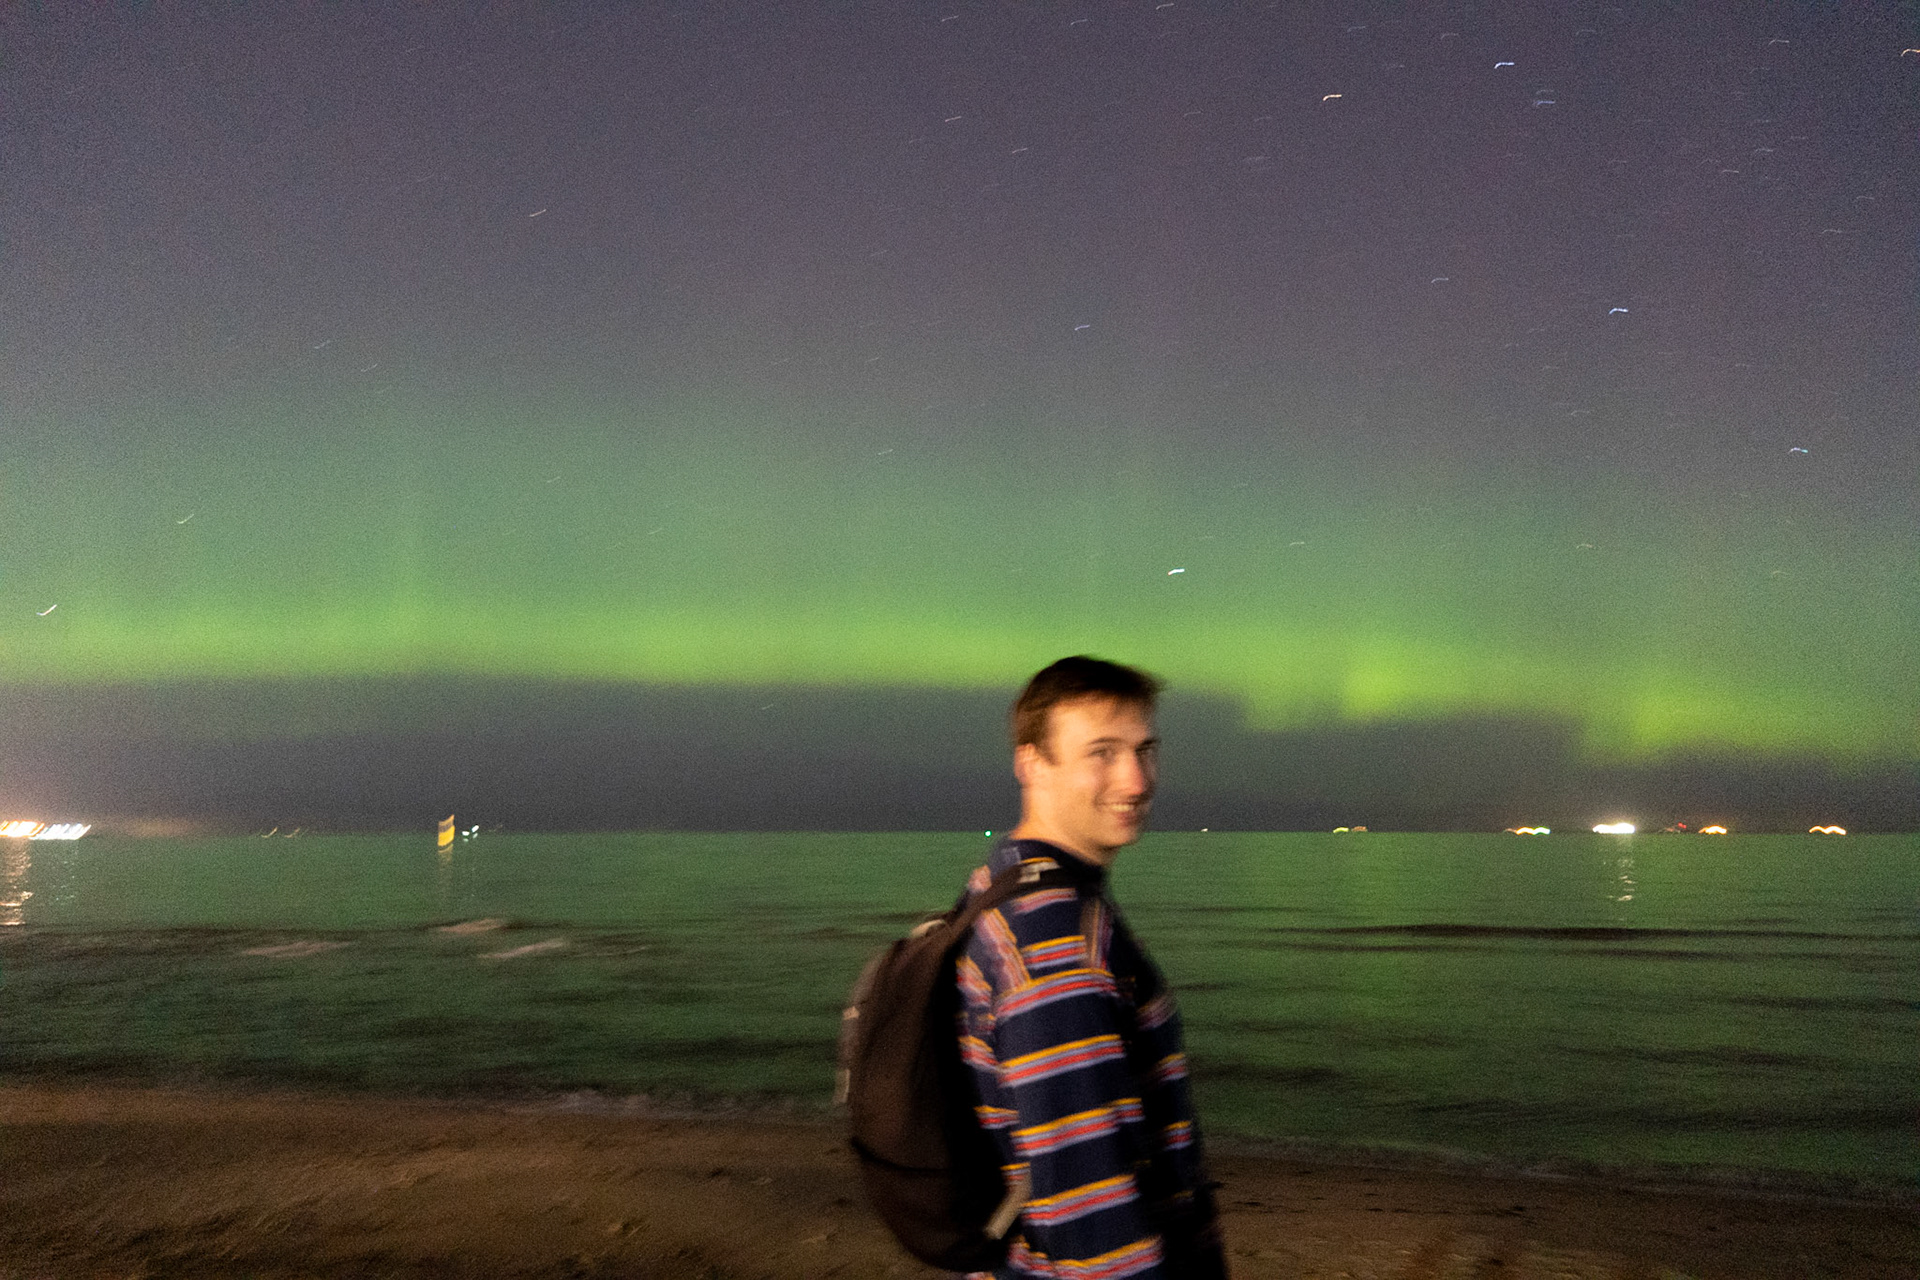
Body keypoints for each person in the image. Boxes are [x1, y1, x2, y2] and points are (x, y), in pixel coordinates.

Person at [954, 656, 1227, 1279]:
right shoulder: (1055, 943)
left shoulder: (1004, 884)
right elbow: (1093, 1216)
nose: (1136, 780)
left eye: (1145, 749)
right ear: (1031, 763)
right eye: (1102, 752)